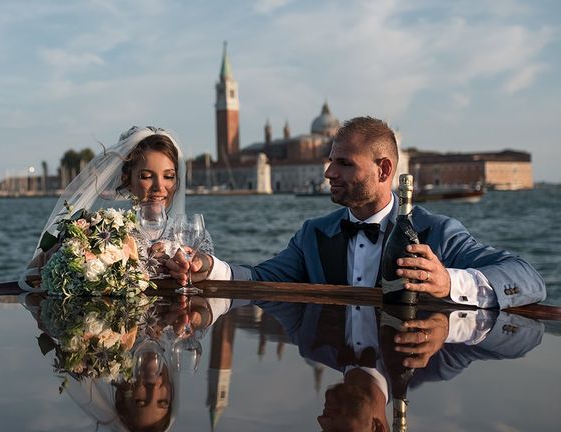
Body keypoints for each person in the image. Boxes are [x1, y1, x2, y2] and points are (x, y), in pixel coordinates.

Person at [168, 116, 546, 309]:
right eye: (329, 161)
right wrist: (207, 266)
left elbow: (528, 280)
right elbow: (259, 278)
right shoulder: (312, 236)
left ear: (384, 171)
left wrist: (449, 282)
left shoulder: (437, 231)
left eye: (344, 164)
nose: (329, 172)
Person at [19, 125, 213, 291]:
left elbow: (209, 277)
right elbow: (31, 275)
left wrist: (198, 266)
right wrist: (62, 254)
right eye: (146, 176)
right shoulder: (103, 231)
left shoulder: (191, 234)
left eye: (168, 176)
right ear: (127, 179)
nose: (159, 187)